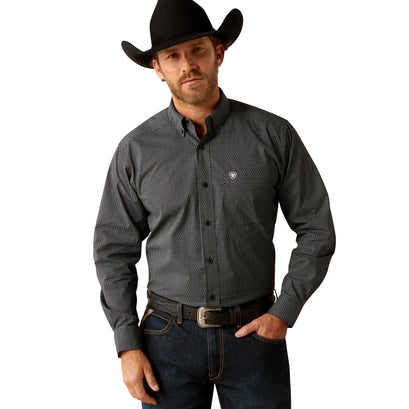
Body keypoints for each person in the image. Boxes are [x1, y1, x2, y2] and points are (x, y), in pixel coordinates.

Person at [93, 0, 336, 408]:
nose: (188, 65)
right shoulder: (136, 150)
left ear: (218, 53)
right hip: (166, 341)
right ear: (157, 67)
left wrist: (285, 311)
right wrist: (127, 342)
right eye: (173, 56)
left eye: (197, 50)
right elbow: (113, 249)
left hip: (256, 336)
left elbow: (317, 229)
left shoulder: (273, 136)